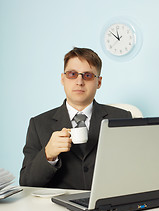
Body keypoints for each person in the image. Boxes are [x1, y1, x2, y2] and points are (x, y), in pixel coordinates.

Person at [19, 47, 132, 190]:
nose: (79, 81)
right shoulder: (38, 124)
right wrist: (48, 154)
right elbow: (27, 183)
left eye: (88, 75)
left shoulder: (122, 118)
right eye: (72, 74)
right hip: (58, 209)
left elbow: (134, 169)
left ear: (99, 82)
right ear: (63, 79)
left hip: (107, 205)